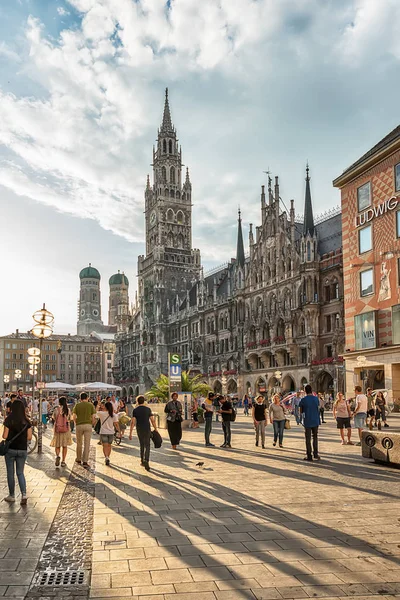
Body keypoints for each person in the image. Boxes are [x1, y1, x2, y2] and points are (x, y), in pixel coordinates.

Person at [2, 400, 32, 504]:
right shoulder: (27, 421)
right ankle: (24, 494)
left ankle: (12, 495)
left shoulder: (8, 420)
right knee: (20, 472)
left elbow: (5, 436)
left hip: (10, 450)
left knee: (10, 473)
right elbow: (29, 437)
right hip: (22, 450)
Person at [129, 395, 158, 471]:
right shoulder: (148, 409)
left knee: (142, 444)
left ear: (137, 402)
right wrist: (155, 429)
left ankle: (142, 460)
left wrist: (130, 433)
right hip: (147, 429)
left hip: (139, 429)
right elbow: (152, 420)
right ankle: (146, 460)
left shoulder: (135, 410)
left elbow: (133, 422)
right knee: (147, 445)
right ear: (144, 401)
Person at [73, 392, 96, 467]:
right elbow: (93, 417)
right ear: (87, 398)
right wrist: (92, 423)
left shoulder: (77, 405)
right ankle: (85, 461)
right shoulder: (91, 405)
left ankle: (78, 459)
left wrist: (76, 422)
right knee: (87, 444)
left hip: (79, 425)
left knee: (79, 443)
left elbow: (74, 417)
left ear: (80, 398)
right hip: (88, 425)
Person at [299, 385, 321, 461]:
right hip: (315, 420)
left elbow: (301, 410)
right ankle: (316, 454)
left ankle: (309, 455)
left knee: (308, 438)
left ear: (305, 391)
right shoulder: (316, 399)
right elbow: (318, 407)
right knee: (315, 437)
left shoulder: (303, 399)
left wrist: (301, 419)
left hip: (307, 420)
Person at [50, 396, 73, 467]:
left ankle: (57, 456)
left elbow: (53, 418)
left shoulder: (56, 410)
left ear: (59, 402)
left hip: (57, 430)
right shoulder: (68, 410)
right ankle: (63, 461)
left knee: (57, 445)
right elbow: (70, 419)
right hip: (66, 430)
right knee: (64, 446)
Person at [96, 401, 119, 466]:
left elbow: (96, 412)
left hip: (103, 432)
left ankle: (106, 457)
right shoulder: (114, 415)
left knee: (104, 446)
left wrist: (99, 405)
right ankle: (108, 457)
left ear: (105, 407)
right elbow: (116, 424)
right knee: (109, 445)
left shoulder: (102, 414)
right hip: (111, 432)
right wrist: (119, 432)